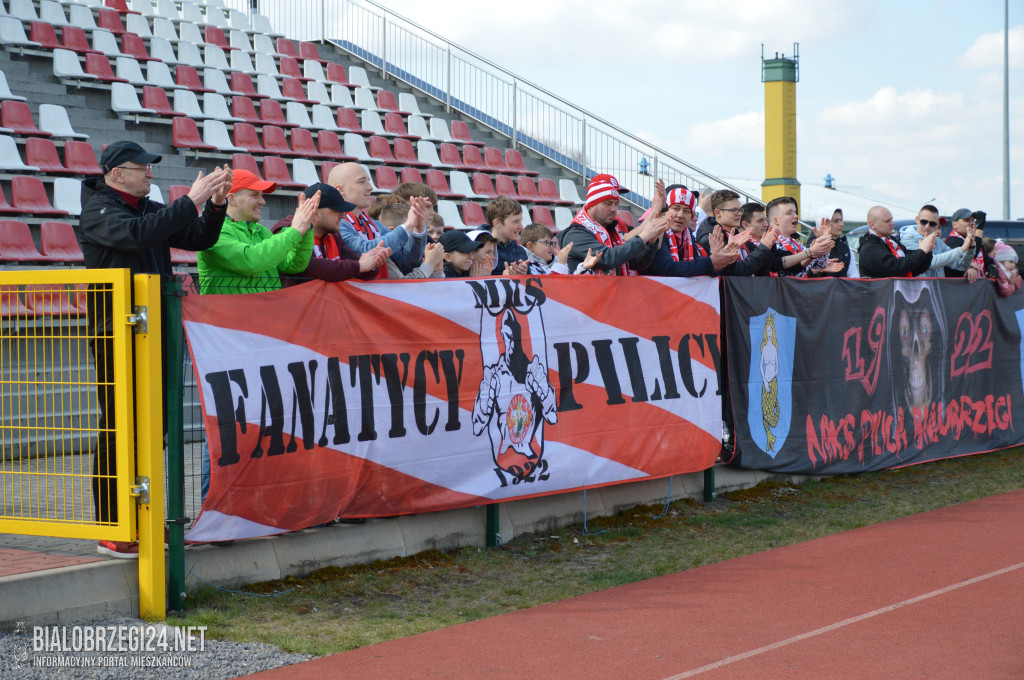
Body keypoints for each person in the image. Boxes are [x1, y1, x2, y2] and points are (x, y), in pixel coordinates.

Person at [78, 140, 233, 558]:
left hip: (155, 331)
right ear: (116, 174)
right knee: (119, 428)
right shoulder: (98, 209)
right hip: (117, 335)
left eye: (150, 168)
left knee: (155, 429)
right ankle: (114, 526)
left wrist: (214, 205)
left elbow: (198, 238)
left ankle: (146, 520)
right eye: (142, 168)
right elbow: (136, 236)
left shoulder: (146, 207)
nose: (150, 173)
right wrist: (191, 200)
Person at [197, 170, 316, 294]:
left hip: (266, 311)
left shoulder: (262, 232)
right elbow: (250, 261)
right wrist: (295, 231)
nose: (262, 201)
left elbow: (293, 265)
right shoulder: (210, 231)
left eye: (261, 195)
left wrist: (306, 227)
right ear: (231, 199)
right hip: (229, 313)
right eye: (255, 195)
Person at [272, 183, 390, 286]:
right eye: (336, 211)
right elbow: (309, 267)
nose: (343, 216)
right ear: (316, 214)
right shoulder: (288, 230)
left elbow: (353, 264)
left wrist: (372, 264)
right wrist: (359, 266)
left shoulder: (334, 235)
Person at [327, 163, 428, 276]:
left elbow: (407, 259)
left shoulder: (374, 224)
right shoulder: (335, 225)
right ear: (340, 190)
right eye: (362, 181)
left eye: (369, 181)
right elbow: (365, 250)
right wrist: (408, 225)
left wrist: (419, 228)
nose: (370, 187)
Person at [557, 173, 667, 274]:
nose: (614, 209)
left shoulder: (613, 230)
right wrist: (644, 236)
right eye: (608, 203)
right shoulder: (576, 233)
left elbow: (635, 263)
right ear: (591, 205)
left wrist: (651, 244)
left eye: (616, 204)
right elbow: (609, 258)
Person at [646, 184, 739, 277]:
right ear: (666, 211)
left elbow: (700, 269)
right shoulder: (657, 231)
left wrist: (719, 262)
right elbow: (667, 269)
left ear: (691, 216)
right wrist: (711, 261)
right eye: (675, 208)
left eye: (686, 211)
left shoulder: (687, 235)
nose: (680, 215)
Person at [899, 204, 974, 278]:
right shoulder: (907, 239)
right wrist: (962, 249)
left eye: (932, 223)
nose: (927, 226)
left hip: (937, 289)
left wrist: (970, 248)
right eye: (924, 222)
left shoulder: (937, 241)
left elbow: (960, 265)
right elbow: (930, 263)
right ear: (916, 219)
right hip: (918, 289)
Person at [858, 205, 935, 278]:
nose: (892, 223)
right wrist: (922, 251)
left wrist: (927, 252)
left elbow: (913, 269)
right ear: (873, 225)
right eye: (887, 221)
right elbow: (895, 268)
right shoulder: (869, 248)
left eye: (891, 219)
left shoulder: (892, 241)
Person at [767, 197, 835, 277]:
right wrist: (811, 252)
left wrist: (823, 241)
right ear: (776, 221)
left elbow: (820, 265)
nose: (796, 216)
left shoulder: (795, 243)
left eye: (795, 212)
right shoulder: (769, 242)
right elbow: (789, 270)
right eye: (789, 213)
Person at [377, 200, 445, 278]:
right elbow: (403, 286)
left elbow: (427, 288)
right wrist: (429, 264)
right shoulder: (381, 255)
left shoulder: (418, 252)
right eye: (410, 230)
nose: (415, 236)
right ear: (392, 231)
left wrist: (437, 271)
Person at [485, 195, 530, 275]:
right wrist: (503, 279)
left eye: (520, 221)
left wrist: (524, 274)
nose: (521, 227)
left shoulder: (521, 251)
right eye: (516, 221)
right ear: (497, 223)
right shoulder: (482, 250)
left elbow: (529, 285)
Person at [807, 206, 855, 278]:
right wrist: (818, 269)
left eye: (841, 220)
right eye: (836, 221)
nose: (841, 224)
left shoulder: (846, 249)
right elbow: (803, 276)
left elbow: (853, 277)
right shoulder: (811, 248)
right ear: (822, 223)